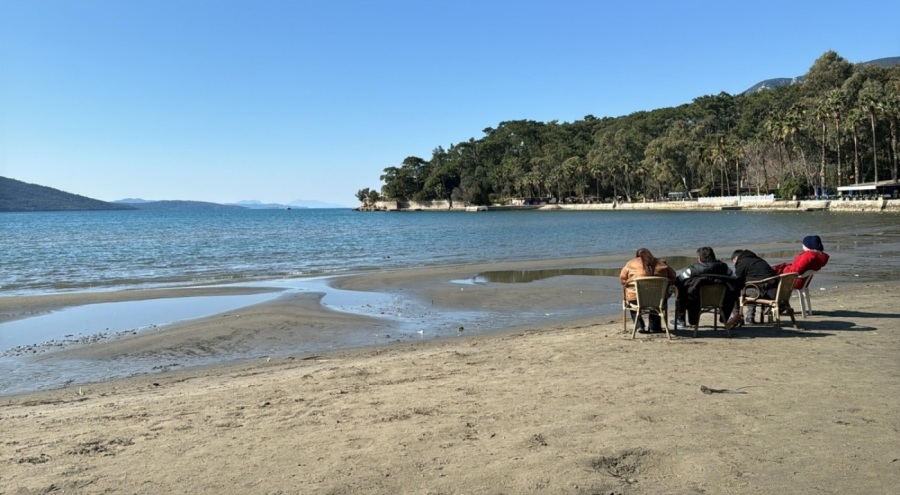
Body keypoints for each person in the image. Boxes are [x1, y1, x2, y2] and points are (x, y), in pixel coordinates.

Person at [672, 246, 734, 327]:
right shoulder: (725, 268)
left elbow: (679, 280)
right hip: (720, 301)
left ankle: (681, 320)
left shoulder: (693, 269)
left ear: (700, 258)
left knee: (680, 289)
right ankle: (724, 318)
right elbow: (734, 279)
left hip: (696, 301)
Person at [620, 248, 677, 333]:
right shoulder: (662, 263)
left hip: (637, 299)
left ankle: (639, 326)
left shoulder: (630, 263)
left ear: (637, 257)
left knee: (631, 300)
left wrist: (629, 282)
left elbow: (622, 280)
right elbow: (673, 277)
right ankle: (655, 327)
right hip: (659, 299)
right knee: (656, 297)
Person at [727, 249, 777, 328]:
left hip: (762, 291)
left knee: (734, 292)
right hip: (774, 291)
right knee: (748, 288)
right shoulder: (757, 259)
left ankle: (738, 317)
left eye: (734, 261)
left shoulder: (741, 262)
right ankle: (749, 317)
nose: (734, 264)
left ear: (736, 258)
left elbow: (738, 280)